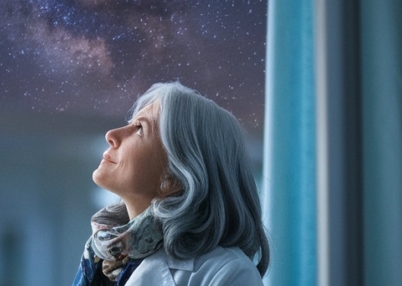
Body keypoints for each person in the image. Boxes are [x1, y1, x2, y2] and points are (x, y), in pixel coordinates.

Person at [72, 82, 269, 286]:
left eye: (139, 128)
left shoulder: (229, 274)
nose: (111, 134)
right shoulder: (100, 261)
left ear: (174, 178)